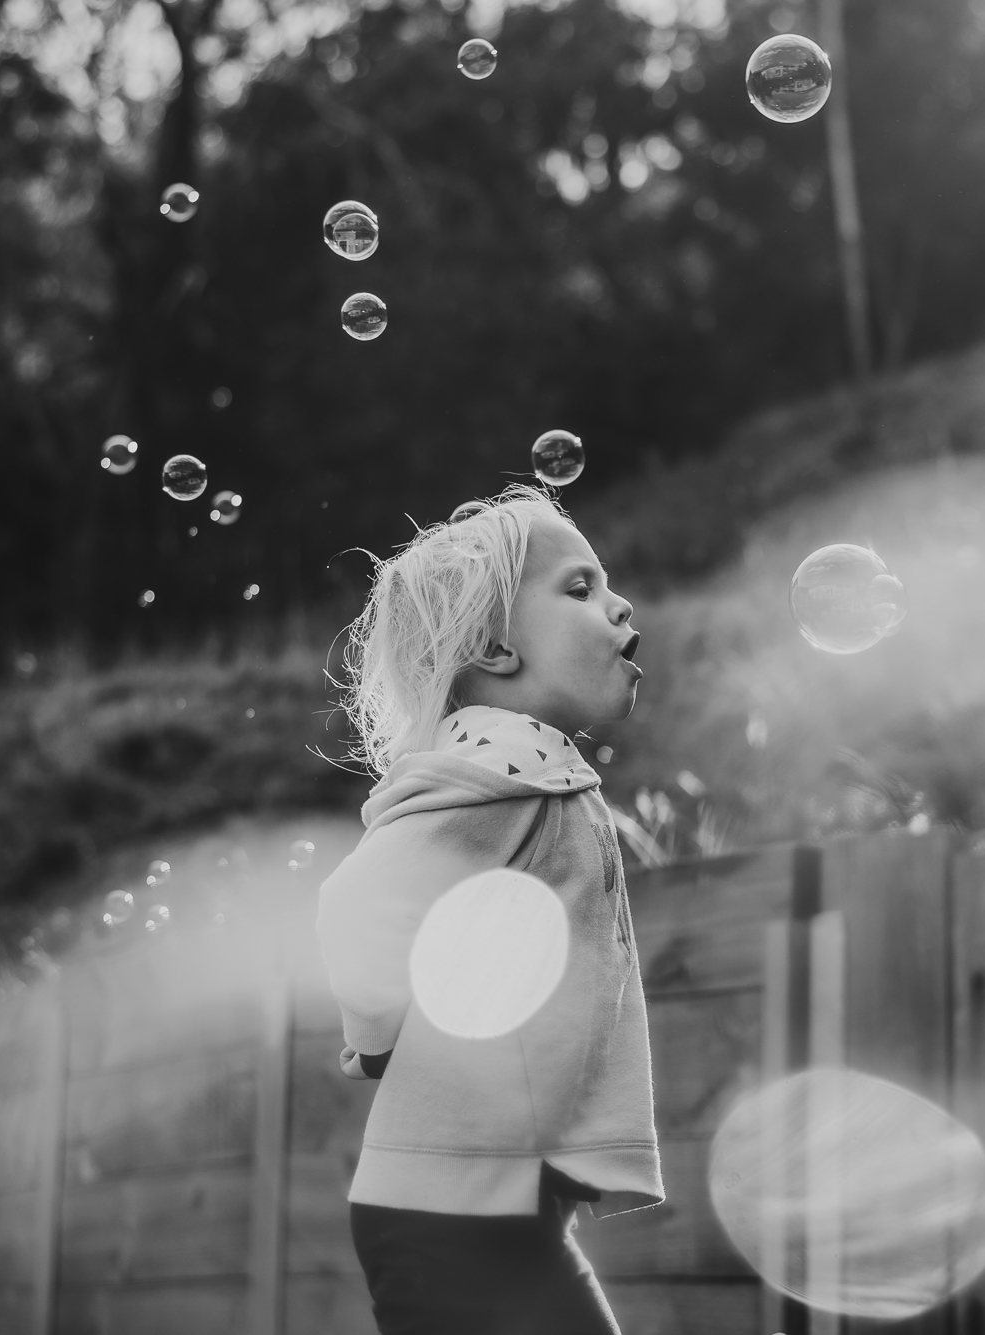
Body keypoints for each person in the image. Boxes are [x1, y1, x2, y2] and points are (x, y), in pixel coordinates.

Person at [317, 483, 662, 1335]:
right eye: (578, 588)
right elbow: (355, 906)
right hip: (450, 1206)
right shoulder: (502, 773)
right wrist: (376, 1033)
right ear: (494, 647)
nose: (618, 604)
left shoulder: (536, 772)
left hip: (484, 1199)